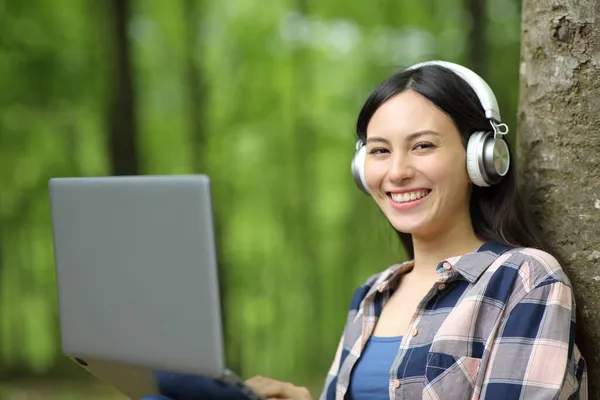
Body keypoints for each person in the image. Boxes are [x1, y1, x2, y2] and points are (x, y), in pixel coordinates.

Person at [141, 61, 588, 399]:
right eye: (379, 151)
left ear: (483, 158)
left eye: (423, 146)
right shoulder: (373, 294)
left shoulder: (524, 279)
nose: (397, 171)